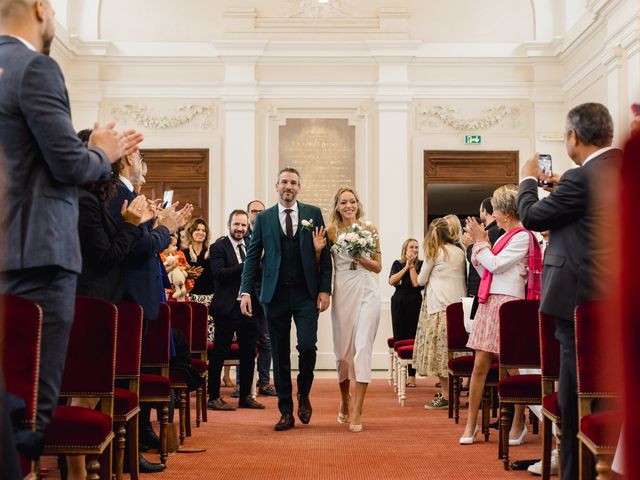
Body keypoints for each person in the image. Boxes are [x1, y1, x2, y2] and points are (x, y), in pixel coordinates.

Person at [0, 0, 142, 444]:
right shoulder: (34, 68)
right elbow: (69, 165)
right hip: (37, 256)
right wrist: (101, 150)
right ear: (42, 7)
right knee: (29, 411)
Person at [517, 103, 622, 479]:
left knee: (576, 395)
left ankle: (577, 473)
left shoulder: (582, 178)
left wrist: (528, 180)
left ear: (574, 137)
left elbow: (531, 216)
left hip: (580, 301)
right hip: (616, 297)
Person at [239, 168, 332, 431]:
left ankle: (303, 394)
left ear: (299, 188)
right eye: (284, 182)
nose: (288, 186)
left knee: (307, 347)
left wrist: (325, 289)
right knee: (280, 354)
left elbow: (324, 256)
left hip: (305, 294)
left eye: (293, 182)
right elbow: (252, 256)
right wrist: (245, 291)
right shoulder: (265, 218)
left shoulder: (313, 214)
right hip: (274, 295)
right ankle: (285, 411)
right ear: (276, 186)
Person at [459, 185, 541, 445]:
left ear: (506, 212)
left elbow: (493, 264)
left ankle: (518, 423)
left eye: (495, 209)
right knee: (480, 364)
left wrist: (481, 243)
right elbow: (486, 268)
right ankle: (470, 424)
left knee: (512, 368)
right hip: (490, 303)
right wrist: (479, 245)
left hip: (510, 307)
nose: (492, 213)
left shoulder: (521, 237)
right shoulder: (503, 237)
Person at [316, 187, 381, 432]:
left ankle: (358, 409)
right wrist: (317, 250)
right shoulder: (331, 232)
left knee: (363, 347)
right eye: (343, 202)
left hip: (367, 289)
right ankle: (344, 398)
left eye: (352, 201)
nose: (348, 206)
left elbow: (378, 266)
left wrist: (362, 259)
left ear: (357, 204)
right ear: (337, 206)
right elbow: (321, 266)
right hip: (342, 291)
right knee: (343, 354)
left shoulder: (370, 229)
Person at [207, 210, 264, 410]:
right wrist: (247, 264)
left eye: (243, 225)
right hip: (226, 307)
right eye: (236, 224)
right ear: (228, 224)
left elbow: (259, 274)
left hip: (249, 308)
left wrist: (259, 263)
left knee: (249, 353)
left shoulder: (251, 246)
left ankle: (246, 396)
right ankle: (213, 397)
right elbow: (220, 274)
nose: (239, 228)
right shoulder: (218, 247)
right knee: (220, 353)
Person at [412, 218, 466, 410]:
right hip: (458, 307)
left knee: (440, 354)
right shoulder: (460, 251)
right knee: (455, 353)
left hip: (438, 307)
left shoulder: (434, 252)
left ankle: (447, 395)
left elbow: (420, 280)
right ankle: (454, 391)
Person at [245, 200, 277, 397]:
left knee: (266, 340)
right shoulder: (241, 236)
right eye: (253, 211)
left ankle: (264, 383)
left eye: (260, 211)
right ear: (248, 213)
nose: (257, 214)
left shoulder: (270, 234)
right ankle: (243, 384)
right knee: (246, 339)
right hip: (248, 292)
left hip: (266, 293)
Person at [388, 238, 423, 388]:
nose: (414, 250)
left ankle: (412, 375)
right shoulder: (397, 263)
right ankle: (399, 371)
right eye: (411, 247)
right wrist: (405, 267)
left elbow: (416, 283)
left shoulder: (421, 265)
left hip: (415, 301)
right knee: (399, 334)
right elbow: (392, 281)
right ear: (405, 250)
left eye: (416, 247)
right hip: (399, 301)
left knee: (413, 335)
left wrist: (412, 267)